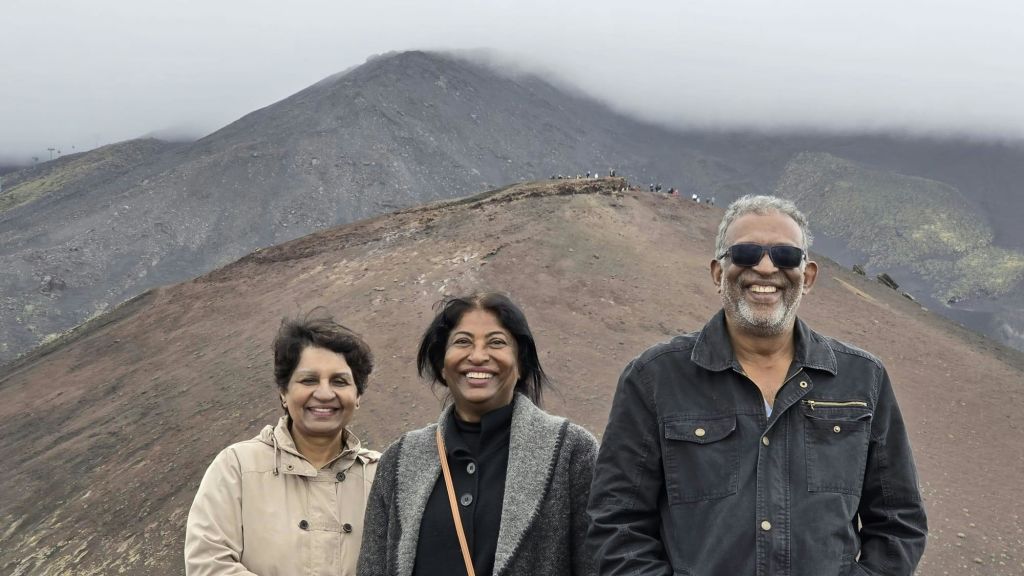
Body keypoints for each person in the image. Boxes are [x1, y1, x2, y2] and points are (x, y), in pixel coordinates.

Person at [587, 195, 927, 576]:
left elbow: (899, 522)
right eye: (746, 253)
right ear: (719, 272)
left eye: (785, 256)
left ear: (808, 275)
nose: (766, 268)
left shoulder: (863, 378)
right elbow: (616, 525)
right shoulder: (654, 378)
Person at [358, 292, 598, 576]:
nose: (478, 356)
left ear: (520, 364)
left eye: (496, 342)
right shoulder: (400, 459)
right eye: (462, 342)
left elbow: (597, 565)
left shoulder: (571, 452)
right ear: (442, 366)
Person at [185, 314, 380, 576]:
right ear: (283, 393)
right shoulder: (237, 467)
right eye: (309, 380)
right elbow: (207, 564)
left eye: (339, 381)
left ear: (357, 396)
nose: (324, 393)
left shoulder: (382, 476)